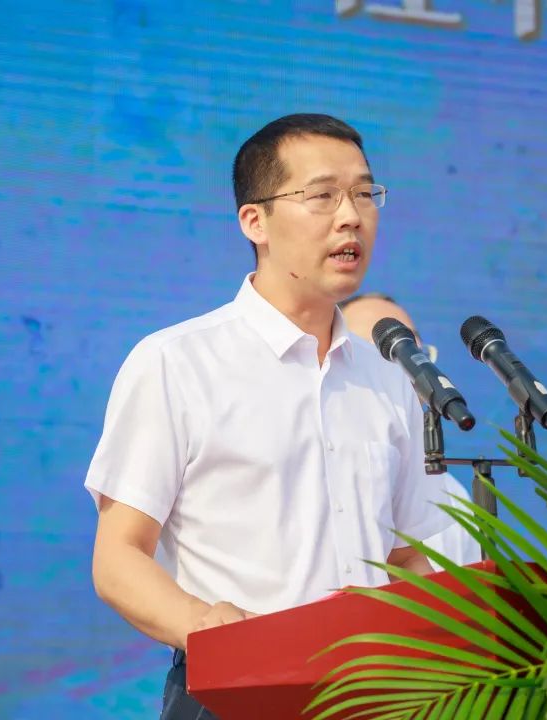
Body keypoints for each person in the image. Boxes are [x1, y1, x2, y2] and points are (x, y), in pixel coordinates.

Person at [85, 114, 449, 720]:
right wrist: (207, 625)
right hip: (234, 692)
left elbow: (406, 557)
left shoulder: (389, 379)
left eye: (364, 193)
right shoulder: (177, 362)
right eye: (323, 195)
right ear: (255, 221)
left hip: (372, 697)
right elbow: (118, 557)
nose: (351, 216)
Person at [340, 292, 483, 570]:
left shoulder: (452, 496)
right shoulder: (314, 475)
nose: (407, 367)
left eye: (411, 349)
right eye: (382, 352)